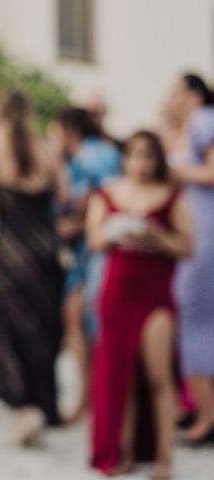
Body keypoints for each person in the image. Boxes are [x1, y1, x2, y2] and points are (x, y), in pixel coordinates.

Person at [86, 131, 192, 479]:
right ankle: (123, 451)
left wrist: (156, 236)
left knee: (159, 374)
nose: (141, 163)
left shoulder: (172, 196)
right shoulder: (108, 193)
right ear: (125, 158)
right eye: (134, 155)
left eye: (148, 156)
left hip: (155, 294)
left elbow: (187, 247)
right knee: (121, 376)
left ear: (157, 159)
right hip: (117, 292)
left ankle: (165, 457)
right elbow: (95, 239)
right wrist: (117, 232)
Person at [0, 90, 66, 445]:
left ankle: (25, 408)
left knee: (12, 330)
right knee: (44, 331)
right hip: (45, 252)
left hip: (13, 254)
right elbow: (64, 193)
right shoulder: (45, 145)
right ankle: (43, 406)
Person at [52, 107, 122, 423]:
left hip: (101, 251)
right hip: (80, 253)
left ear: (67, 129)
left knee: (95, 323)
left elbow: (113, 202)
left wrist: (76, 227)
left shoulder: (98, 156)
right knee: (73, 317)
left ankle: (101, 399)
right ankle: (87, 396)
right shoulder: (72, 160)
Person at [170, 73, 214, 445]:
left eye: (177, 91)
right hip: (200, 230)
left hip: (204, 233)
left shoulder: (204, 120)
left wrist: (174, 171)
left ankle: (207, 416)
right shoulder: (194, 124)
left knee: (193, 319)